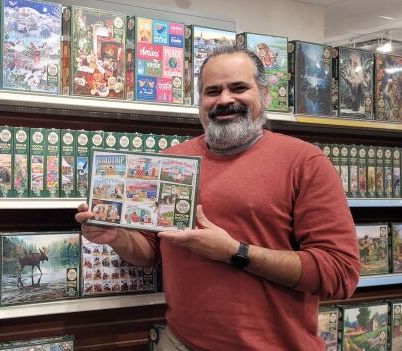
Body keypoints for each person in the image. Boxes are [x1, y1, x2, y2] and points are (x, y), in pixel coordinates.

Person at [76, 45, 360, 350]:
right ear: (200, 101)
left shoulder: (305, 162)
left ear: (264, 95)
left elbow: (340, 273)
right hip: (180, 342)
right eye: (213, 91)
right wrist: (117, 236)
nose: (225, 100)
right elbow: (150, 251)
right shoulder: (172, 161)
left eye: (238, 88)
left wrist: (235, 252)